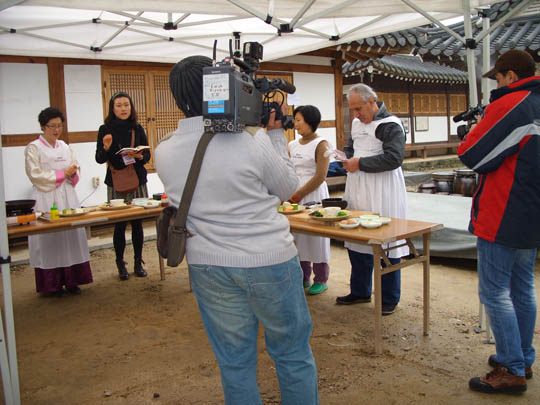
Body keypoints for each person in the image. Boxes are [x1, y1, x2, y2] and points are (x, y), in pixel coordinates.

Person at [155, 56, 319, 404]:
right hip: (268, 259)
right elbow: (286, 185)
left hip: (207, 264)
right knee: (291, 354)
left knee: (234, 362)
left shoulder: (164, 149)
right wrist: (274, 134)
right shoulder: (251, 139)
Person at [458, 49, 539, 394]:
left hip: (504, 210)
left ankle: (511, 366)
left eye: (498, 78)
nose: (497, 83)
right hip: (532, 210)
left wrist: (477, 126)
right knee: (523, 286)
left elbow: (472, 154)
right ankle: (523, 355)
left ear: (508, 75)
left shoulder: (511, 104)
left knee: (495, 290)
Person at [335, 83, 409, 316]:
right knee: (356, 236)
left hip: (383, 188)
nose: (356, 114)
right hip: (358, 185)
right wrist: (344, 157)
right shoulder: (357, 123)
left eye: (358, 109)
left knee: (385, 240)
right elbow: (351, 146)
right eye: (352, 110)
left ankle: (389, 297)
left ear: (371, 101)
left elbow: (393, 159)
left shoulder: (391, 125)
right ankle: (360, 290)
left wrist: (361, 164)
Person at [24, 107, 93, 296]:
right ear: (42, 127)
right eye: (52, 126)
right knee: (50, 239)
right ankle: (52, 285)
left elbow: (75, 168)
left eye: (59, 126)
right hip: (47, 197)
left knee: (70, 237)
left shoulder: (64, 146)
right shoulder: (34, 148)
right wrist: (63, 174)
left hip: (67, 196)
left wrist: (72, 174)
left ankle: (73, 280)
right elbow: (35, 174)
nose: (56, 130)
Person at [95, 92, 151, 280]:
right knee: (119, 225)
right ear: (112, 108)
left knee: (137, 223)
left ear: (131, 107)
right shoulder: (105, 129)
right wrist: (106, 147)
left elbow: (147, 156)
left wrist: (139, 156)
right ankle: (120, 263)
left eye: (126, 104)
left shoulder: (137, 127)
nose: (123, 108)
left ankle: (137, 262)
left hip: (137, 180)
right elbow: (99, 159)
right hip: (116, 181)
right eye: (118, 105)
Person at [288, 105, 331, 295]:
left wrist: (299, 194)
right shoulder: (292, 145)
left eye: (299, 120)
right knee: (299, 236)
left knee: (316, 237)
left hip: (314, 195)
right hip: (295, 193)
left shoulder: (322, 144)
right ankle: (303, 277)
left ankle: (321, 278)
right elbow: (289, 170)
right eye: (295, 120)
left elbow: (320, 175)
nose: (295, 124)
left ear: (310, 121)